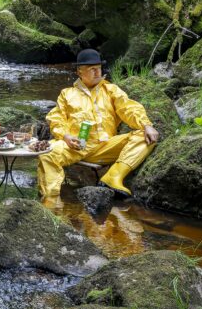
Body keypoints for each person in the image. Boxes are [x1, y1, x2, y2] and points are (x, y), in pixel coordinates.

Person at [37, 49, 159, 201]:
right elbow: (57, 118)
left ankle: (114, 177)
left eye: (99, 68)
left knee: (144, 136)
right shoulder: (67, 94)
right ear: (79, 72)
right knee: (47, 153)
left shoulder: (110, 90)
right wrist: (66, 136)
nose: (97, 72)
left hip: (105, 146)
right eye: (92, 69)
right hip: (75, 146)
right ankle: (50, 202)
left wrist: (146, 124)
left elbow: (129, 108)